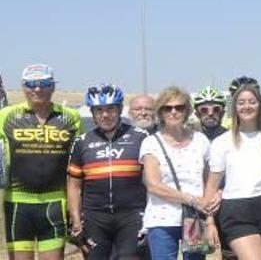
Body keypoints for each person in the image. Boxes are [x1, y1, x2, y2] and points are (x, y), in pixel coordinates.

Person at [205, 84, 261, 260]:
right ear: (235, 107)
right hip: (236, 210)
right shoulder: (221, 142)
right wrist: (209, 222)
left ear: (260, 105)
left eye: (252, 102)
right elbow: (212, 184)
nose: (247, 106)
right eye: (241, 102)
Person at [0, 64, 82, 259]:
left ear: (53, 86)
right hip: (17, 203)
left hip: (55, 204)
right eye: (31, 84)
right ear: (23, 87)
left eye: (44, 83)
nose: (38, 89)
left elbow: (78, 162)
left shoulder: (71, 117)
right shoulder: (5, 116)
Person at [67, 84, 150, 260]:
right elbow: (74, 186)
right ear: (92, 113)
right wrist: (76, 221)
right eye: (99, 110)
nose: (105, 115)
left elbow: (152, 182)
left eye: (110, 109)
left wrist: (150, 217)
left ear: (120, 109)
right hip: (94, 217)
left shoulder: (141, 137)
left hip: (132, 215)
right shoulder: (81, 142)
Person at [139, 86, 216, 260]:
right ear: (160, 112)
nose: (173, 112)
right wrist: (192, 199)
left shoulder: (201, 140)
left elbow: (208, 183)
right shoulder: (151, 143)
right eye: (168, 108)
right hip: (162, 219)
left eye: (179, 107)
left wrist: (210, 220)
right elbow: (153, 186)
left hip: (195, 219)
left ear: (187, 111)